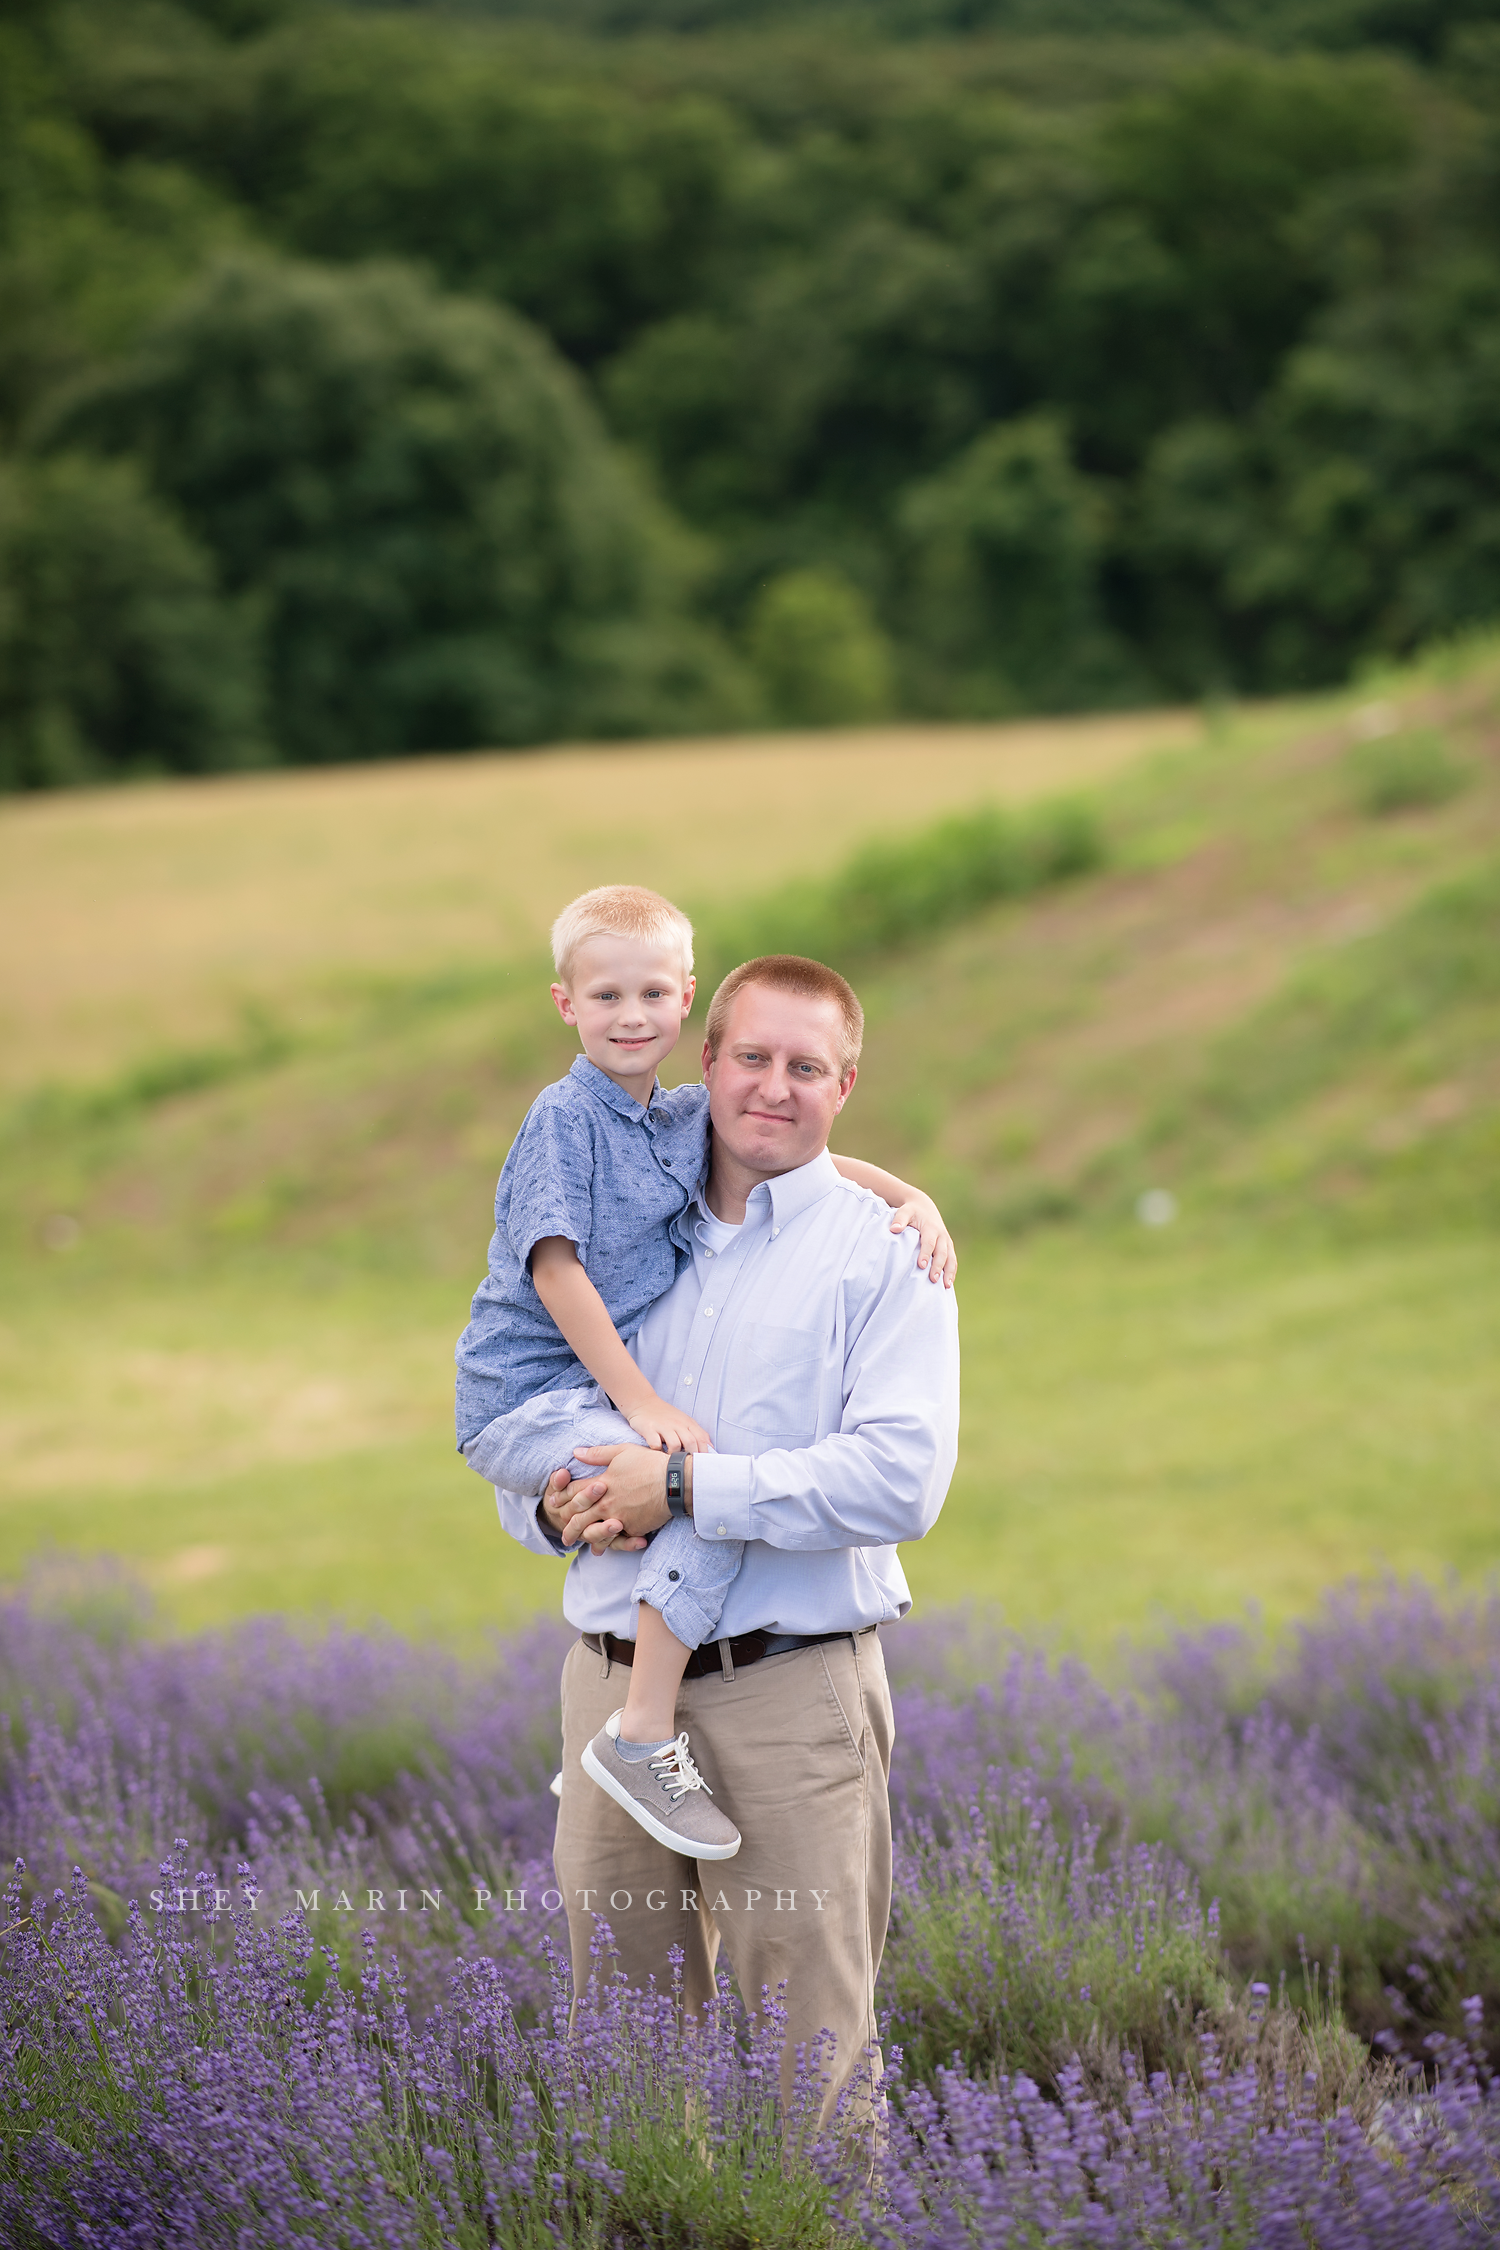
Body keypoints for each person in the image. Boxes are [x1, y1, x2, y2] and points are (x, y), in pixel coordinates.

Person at [485, 950, 960, 2111]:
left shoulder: (883, 1251)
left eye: (808, 1067)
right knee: (629, 2066)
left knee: (813, 2065)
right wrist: (553, 1505)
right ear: (706, 1061)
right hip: (608, 1696)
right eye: (752, 1056)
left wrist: (686, 1491)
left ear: (845, 1085)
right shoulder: (620, 1229)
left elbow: (903, 1482)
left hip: (790, 1701)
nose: (773, 1086)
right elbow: (536, 1405)